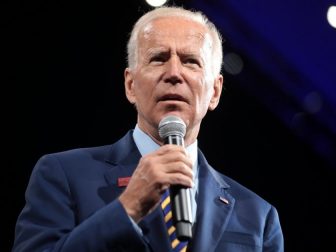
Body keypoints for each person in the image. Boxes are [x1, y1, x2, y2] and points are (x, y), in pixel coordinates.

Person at [12, 5, 284, 252]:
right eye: (158, 58)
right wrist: (127, 207)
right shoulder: (63, 175)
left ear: (215, 91)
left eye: (190, 61)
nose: (174, 73)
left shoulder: (259, 217)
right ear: (130, 85)